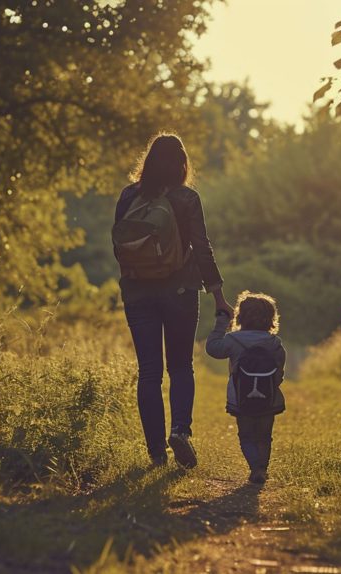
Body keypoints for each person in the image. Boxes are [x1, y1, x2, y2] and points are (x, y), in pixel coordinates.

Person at [113, 133, 232, 469]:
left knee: (149, 372)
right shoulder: (186, 198)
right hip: (180, 291)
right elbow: (202, 247)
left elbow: (118, 245)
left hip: (137, 293)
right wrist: (219, 297)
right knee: (180, 366)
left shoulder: (127, 196)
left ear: (147, 162)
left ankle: (155, 454)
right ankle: (180, 431)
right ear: (182, 164)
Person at [205, 291, 286, 484]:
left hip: (240, 399)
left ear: (240, 316)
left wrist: (221, 323)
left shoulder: (234, 340)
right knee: (265, 436)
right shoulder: (274, 343)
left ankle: (255, 467)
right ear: (271, 319)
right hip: (269, 399)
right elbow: (279, 372)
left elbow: (213, 349)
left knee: (246, 435)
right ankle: (262, 469)